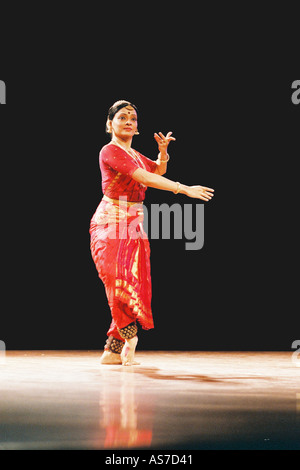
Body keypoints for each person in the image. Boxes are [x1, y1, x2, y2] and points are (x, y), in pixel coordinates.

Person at [90, 100, 214, 365]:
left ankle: (112, 350)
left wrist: (163, 154)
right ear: (110, 123)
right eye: (122, 117)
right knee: (115, 278)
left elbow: (156, 170)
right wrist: (184, 188)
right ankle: (128, 335)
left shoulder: (134, 154)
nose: (129, 122)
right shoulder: (109, 151)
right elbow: (144, 178)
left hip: (132, 225)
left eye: (133, 119)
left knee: (132, 280)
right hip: (110, 223)